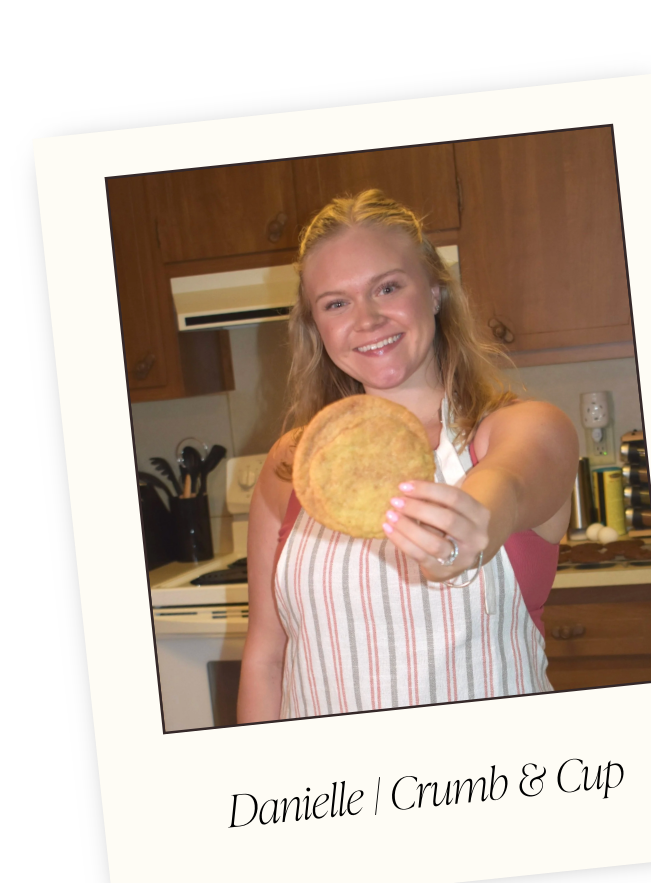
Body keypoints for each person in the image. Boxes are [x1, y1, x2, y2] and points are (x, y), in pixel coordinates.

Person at [237, 190, 579, 722]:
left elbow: (506, 486)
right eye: (336, 303)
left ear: (436, 291)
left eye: (388, 287)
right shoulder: (294, 464)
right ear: (316, 326)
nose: (367, 319)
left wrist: (465, 537)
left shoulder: (523, 429)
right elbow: (266, 657)